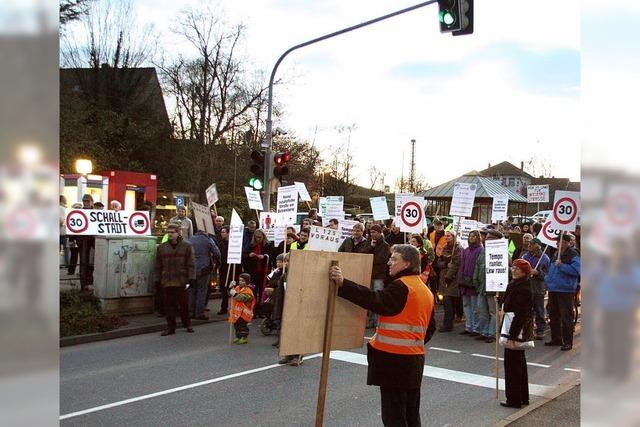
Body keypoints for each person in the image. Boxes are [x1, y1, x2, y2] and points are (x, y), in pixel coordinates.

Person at [330, 244, 436, 427]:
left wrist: (343, 283)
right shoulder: (424, 290)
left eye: (394, 259)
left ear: (407, 263)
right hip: (414, 360)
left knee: (394, 417)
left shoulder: (401, 286)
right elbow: (431, 328)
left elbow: (375, 300)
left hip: (395, 362)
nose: (389, 262)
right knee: (411, 415)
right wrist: (410, 341)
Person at [500, 258, 534, 409]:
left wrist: (512, 336)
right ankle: (522, 397)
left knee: (513, 365)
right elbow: (509, 302)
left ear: (524, 272)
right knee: (518, 363)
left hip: (514, 328)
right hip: (513, 325)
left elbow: (520, 313)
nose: (514, 270)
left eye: (517, 269)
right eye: (513, 268)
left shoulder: (523, 287)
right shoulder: (516, 284)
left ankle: (514, 399)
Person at [154, 223, 196, 336]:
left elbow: (191, 263)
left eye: (172, 232)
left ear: (178, 233)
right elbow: (158, 265)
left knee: (183, 305)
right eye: (168, 232)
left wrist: (192, 278)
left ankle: (187, 324)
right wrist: (157, 279)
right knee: (169, 306)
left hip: (181, 280)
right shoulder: (162, 247)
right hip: (167, 280)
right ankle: (170, 327)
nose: (170, 235)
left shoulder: (186, 246)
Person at [544, 233, 581, 351]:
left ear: (566, 242)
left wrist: (562, 266)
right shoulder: (556, 253)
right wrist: (547, 280)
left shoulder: (573, 254)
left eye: (559, 241)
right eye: (557, 241)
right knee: (553, 315)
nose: (557, 243)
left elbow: (577, 271)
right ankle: (556, 338)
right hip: (554, 288)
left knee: (566, 317)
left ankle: (568, 342)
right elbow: (552, 269)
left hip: (565, 289)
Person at [473, 228, 505, 343]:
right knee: (482, 311)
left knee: (493, 312)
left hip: (494, 288)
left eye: (488, 238)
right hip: (482, 287)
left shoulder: (503, 252)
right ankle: (484, 331)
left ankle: (493, 333)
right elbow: (478, 266)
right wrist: (475, 281)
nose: (485, 240)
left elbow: (507, 270)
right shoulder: (483, 251)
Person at [188, 226, 221, 320]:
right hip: (204, 269)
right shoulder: (208, 240)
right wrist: (218, 263)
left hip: (192, 268)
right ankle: (199, 313)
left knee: (192, 290)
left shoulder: (190, 239)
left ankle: (190, 312)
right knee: (202, 291)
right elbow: (217, 252)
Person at [363, 224, 391, 328]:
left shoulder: (385, 245)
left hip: (378, 275)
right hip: (369, 273)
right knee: (369, 298)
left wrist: (370, 258)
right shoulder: (369, 242)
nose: (372, 234)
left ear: (380, 233)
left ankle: (377, 321)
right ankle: (371, 320)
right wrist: (371, 247)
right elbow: (363, 254)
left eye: (374, 232)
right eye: (371, 233)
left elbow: (381, 259)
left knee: (377, 298)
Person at [458, 230, 483, 336]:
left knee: (475, 307)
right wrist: (461, 277)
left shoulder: (480, 250)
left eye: (474, 236)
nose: (471, 238)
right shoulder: (466, 250)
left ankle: (476, 328)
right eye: (470, 236)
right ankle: (469, 326)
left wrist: (475, 279)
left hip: (474, 282)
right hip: (465, 281)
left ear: (478, 238)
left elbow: (479, 266)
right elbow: (462, 265)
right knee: (466, 305)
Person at [438, 231, 463, 332]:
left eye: (448, 236)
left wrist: (448, 276)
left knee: (448, 300)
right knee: (448, 301)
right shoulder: (445, 247)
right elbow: (438, 262)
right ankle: (449, 321)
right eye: (446, 236)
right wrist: (445, 264)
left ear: (454, 237)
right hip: (444, 276)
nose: (446, 237)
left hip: (453, 278)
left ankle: (447, 324)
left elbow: (457, 264)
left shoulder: (458, 249)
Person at [242, 229, 272, 305]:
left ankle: (261, 308)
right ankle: (254, 308)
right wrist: (249, 255)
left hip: (263, 271)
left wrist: (264, 257)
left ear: (263, 237)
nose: (258, 239)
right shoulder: (251, 245)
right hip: (253, 272)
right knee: (253, 290)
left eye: (259, 237)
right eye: (256, 238)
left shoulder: (268, 245)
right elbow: (244, 256)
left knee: (262, 291)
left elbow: (272, 257)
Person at [228, 273, 255, 344]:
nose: (240, 282)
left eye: (243, 281)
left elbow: (243, 298)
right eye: (239, 280)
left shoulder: (248, 291)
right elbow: (231, 294)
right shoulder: (236, 288)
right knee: (236, 324)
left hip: (244, 312)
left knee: (242, 325)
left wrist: (235, 294)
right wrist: (230, 288)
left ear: (247, 282)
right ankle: (238, 336)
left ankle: (244, 337)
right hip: (237, 312)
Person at [217, 226, 231, 315]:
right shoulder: (221, 243)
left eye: (224, 232)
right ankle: (224, 307)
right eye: (221, 232)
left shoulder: (232, 244)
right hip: (223, 268)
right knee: (223, 289)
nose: (222, 234)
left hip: (230, 267)